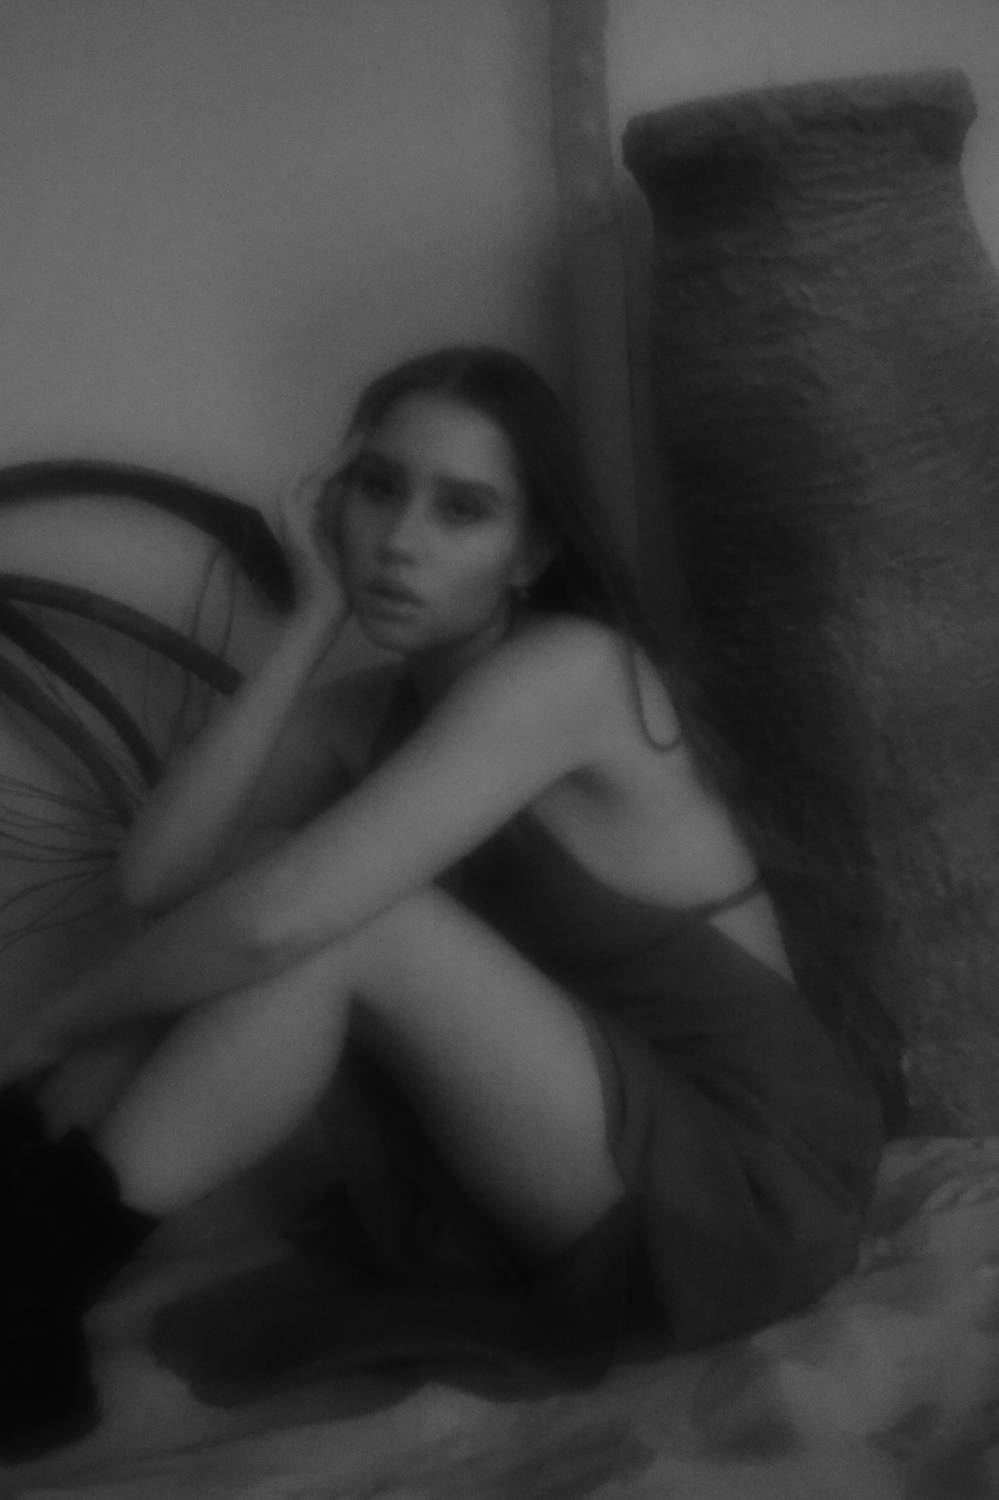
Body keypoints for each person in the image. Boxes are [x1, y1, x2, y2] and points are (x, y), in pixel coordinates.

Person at [0, 345, 883, 1459]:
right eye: (378, 489)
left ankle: (30, 1281)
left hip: (740, 1186)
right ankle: (18, 1237)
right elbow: (157, 879)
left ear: (533, 552)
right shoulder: (366, 711)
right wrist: (308, 626)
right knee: (260, 878)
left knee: (343, 913)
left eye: (462, 509)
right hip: (567, 1145)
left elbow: (281, 921)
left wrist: (55, 1019)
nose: (400, 540)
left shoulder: (572, 672)